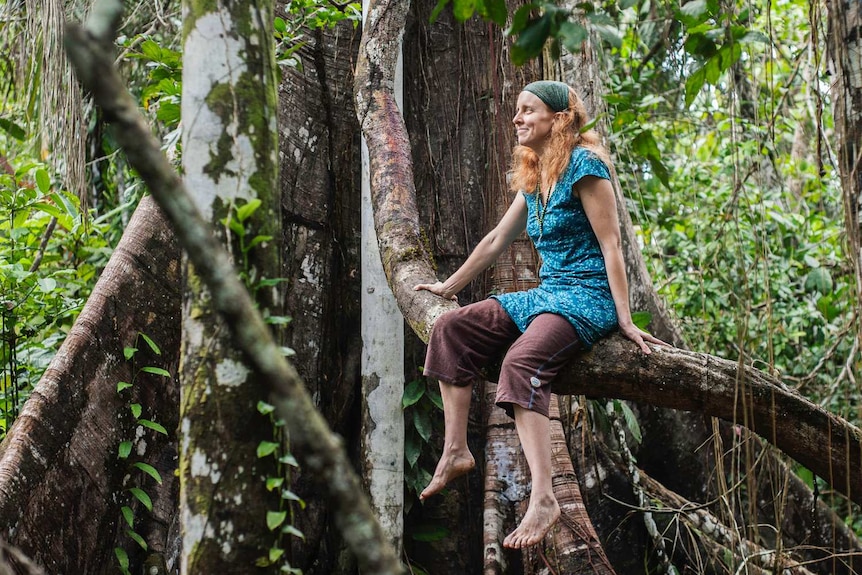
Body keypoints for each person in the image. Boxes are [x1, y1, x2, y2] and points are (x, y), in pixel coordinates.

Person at [413, 80, 668, 549]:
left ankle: (545, 497)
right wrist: (448, 287)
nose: (517, 119)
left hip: (587, 297)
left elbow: (613, 247)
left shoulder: (586, 167)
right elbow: (495, 240)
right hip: (548, 292)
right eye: (517, 110)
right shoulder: (535, 175)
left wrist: (626, 319)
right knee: (451, 327)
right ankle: (455, 450)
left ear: (559, 118)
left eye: (528, 110)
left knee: (521, 362)